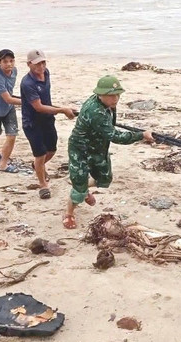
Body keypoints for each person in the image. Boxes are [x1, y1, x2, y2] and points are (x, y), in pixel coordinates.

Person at [63, 75, 154, 229]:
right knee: (79, 186)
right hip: (81, 149)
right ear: (100, 94)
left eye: (117, 94)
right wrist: (141, 135)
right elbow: (115, 136)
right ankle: (69, 213)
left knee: (104, 178)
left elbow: (109, 126)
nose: (115, 99)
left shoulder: (107, 104)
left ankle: (83, 189)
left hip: (98, 146)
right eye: (111, 95)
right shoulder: (95, 112)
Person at [19, 49, 77, 199]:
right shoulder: (27, 83)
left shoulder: (46, 73)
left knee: (51, 150)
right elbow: (38, 107)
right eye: (37, 64)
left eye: (43, 63)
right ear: (29, 64)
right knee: (40, 154)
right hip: (32, 123)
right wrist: (62, 110)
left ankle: (37, 166)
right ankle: (43, 184)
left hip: (47, 119)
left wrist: (62, 109)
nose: (41, 66)